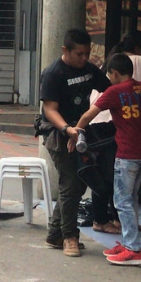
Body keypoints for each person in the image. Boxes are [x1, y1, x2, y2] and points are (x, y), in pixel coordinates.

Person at [73, 53, 141, 266]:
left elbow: (88, 115)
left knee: (122, 201)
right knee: (131, 199)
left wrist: (76, 132)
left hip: (127, 154)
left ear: (115, 73)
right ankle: (128, 242)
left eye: (109, 75)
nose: (109, 79)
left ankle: (132, 249)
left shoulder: (114, 91)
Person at [39, 27, 110, 257]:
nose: (84, 58)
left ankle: (55, 233)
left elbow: (109, 91)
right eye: (79, 54)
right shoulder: (53, 73)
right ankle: (70, 236)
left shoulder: (89, 70)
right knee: (70, 183)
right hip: (58, 133)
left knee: (79, 183)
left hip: (81, 132)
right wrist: (67, 129)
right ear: (65, 50)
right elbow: (50, 110)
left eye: (87, 53)